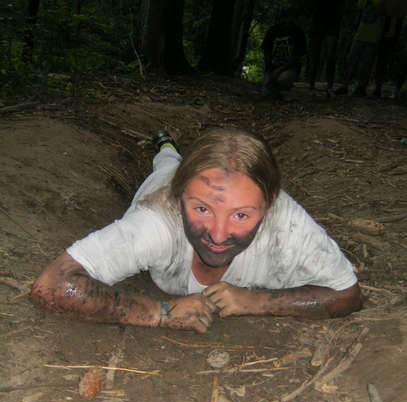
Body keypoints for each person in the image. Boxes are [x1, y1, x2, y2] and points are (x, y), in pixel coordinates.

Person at [31, 128, 363, 334]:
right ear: (180, 197)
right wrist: (159, 312)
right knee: (167, 164)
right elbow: (51, 285)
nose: (218, 235)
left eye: (241, 215)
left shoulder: (288, 225)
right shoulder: (157, 219)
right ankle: (165, 146)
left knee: (173, 163)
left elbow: (348, 294)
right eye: (202, 209)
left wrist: (256, 301)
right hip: (163, 180)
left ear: (270, 204)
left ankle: (168, 147)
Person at [335, 0, 386, 97]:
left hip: (373, 37)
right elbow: (359, 7)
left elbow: (381, 10)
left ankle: (361, 87)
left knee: (366, 64)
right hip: (360, 35)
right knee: (351, 61)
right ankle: (345, 85)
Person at [261, 7, 307, 99]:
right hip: (273, 67)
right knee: (266, 93)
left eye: (290, 18)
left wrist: (279, 71)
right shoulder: (272, 31)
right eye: (285, 18)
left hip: (290, 69)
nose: (287, 21)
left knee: (283, 79)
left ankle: (284, 89)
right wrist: (269, 70)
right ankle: (277, 92)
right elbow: (266, 51)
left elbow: (296, 58)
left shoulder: (299, 33)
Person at [308, 0, 346, 95]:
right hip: (319, 22)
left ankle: (329, 87)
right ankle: (312, 86)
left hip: (331, 22)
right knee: (315, 57)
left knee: (330, 57)